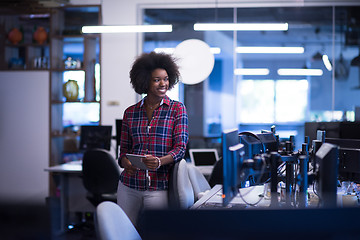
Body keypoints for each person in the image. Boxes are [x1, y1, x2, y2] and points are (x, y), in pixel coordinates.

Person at [117, 51, 189, 225]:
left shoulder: (177, 110)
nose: (163, 83)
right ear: (145, 82)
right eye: (157, 80)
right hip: (129, 185)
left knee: (157, 232)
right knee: (123, 233)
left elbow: (180, 148)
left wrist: (159, 161)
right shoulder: (130, 112)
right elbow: (123, 151)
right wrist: (126, 163)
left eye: (165, 79)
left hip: (159, 186)